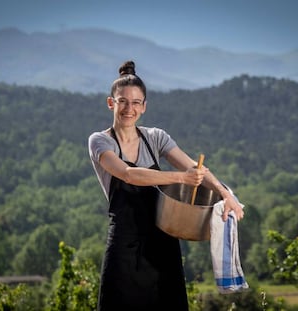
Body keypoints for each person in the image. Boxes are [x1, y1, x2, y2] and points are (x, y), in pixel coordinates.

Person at [88, 60, 244, 311]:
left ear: (144, 107)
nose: (130, 108)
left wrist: (226, 194)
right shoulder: (100, 141)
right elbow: (128, 174)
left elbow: (196, 168)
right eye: (123, 101)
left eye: (136, 102)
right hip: (124, 244)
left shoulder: (155, 138)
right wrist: (181, 177)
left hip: (163, 240)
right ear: (111, 103)